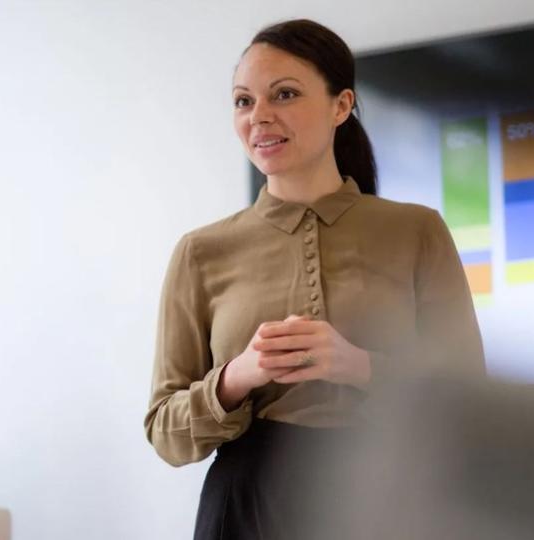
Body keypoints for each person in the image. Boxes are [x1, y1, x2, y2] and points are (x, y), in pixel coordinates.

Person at [143, 18, 485, 540]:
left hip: (390, 501)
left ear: (341, 106)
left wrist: (360, 367)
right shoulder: (200, 252)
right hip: (247, 510)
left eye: (284, 94)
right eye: (243, 101)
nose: (259, 116)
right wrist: (239, 375)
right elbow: (165, 433)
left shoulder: (416, 229)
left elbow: (471, 402)